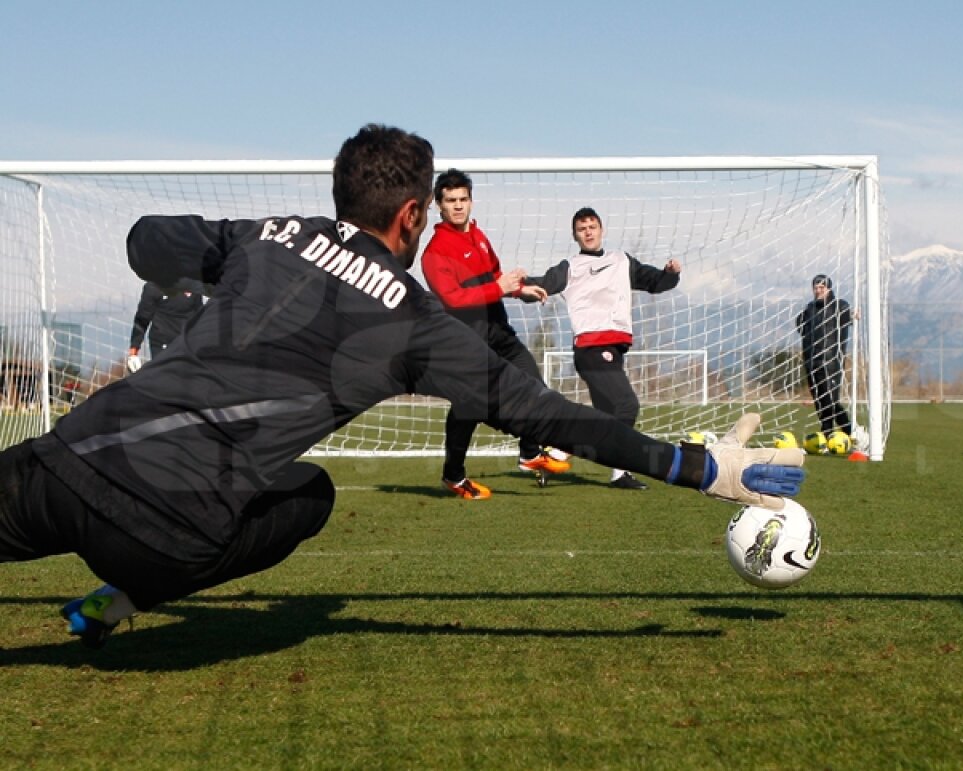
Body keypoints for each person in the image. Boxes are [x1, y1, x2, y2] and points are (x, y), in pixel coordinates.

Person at [0, 124, 805, 650]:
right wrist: (702, 467)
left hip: (65, 458)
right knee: (308, 496)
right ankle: (124, 596)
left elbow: (145, 242)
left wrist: (202, 256)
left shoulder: (267, 235)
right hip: (161, 530)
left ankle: (118, 590)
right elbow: (551, 416)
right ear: (414, 214)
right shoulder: (413, 324)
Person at [420, 168, 568, 500]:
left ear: (471, 201)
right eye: (450, 201)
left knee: (532, 383)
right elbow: (453, 299)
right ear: (439, 206)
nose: (458, 206)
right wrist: (498, 287)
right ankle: (454, 476)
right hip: (467, 340)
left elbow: (496, 276)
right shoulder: (435, 253)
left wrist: (520, 290)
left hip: (499, 330)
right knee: (468, 407)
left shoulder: (480, 236)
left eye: (463, 199)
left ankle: (529, 454)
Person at [526, 207, 681, 490]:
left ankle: (558, 457)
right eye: (582, 228)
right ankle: (595, 464)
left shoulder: (621, 261)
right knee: (626, 405)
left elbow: (654, 281)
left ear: (601, 230)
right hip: (591, 348)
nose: (588, 232)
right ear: (575, 235)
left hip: (614, 348)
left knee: (605, 419)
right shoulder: (570, 267)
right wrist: (514, 286)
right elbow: (543, 284)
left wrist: (670, 273)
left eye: (592, 226)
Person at [796, 274, 854, 437]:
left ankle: (851, 433)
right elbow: (801, 327)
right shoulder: (810, 309)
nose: (818, 291)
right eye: (815, 288)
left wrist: (852, 315)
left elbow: (847, 317)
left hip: (831, 362)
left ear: (829, 288)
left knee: (831, 401)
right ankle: (828, 434)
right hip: (812, 362)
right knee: (820, 402)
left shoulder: (840, 306)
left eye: (821, 287)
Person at [126, 279, 206, 372]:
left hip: (187, 343)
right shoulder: (154, 287)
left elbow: (200, 316)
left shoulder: (192, 285)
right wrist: (133, 352)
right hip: (162, 343)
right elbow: (142, 318)